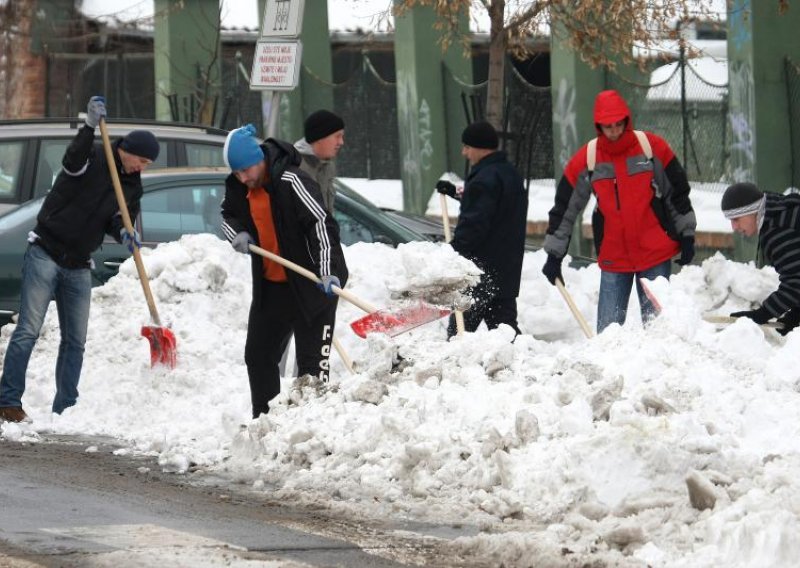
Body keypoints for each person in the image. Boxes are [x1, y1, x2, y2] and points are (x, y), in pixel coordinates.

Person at [0, 96, 159, 423]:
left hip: (79, 264)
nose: (141, 167)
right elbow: (71, 162)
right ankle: (8, 401)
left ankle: (67, 409)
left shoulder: (132, 185)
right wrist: (88, 127)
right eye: (140, 160)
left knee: (76, 341)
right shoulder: (95, 155)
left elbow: (120, 218)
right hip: (45, 250)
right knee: (28, 330)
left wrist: (124, 233)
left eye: (147, 164)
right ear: (125, 150)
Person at [541, 89, 696, 333]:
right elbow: (565, 209)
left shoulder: (651, 148)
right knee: (608, 336)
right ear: (598, 126)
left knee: (661, 333)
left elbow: (676, 193)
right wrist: (554, 254)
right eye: (607, 126)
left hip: (654, 253)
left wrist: (687, 235)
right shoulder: (589, 159)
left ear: (626, 120)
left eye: (618, 124)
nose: (613, 131)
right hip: (614, 256)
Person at [221, 124, 348, 419]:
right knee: (258, 355)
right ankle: (266, 423)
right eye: (237, 173)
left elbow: (321, 225)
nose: (243, 178)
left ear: (260, 158)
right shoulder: (240, 186)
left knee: (312, 368)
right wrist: (237, 233)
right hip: (273, 287)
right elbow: (227, 214)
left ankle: (311, 427)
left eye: (246, 170)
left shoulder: (291, 181)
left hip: (314, 285)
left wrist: (327, 270)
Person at [436, 121, 527, 338]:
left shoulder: (484, 179)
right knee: (506, 335)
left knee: (459, 336)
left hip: (479, 274)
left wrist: (453, 252)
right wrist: (456, 192)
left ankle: (455, 368)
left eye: (467, 147)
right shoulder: (510, 174)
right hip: (505, 271)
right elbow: (493, 206)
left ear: (480, 147)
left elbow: (474, 224)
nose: (464, 152)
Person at [722, 182, 800, 335]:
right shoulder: (780, 213)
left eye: (736, 219)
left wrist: (763, 314)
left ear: (753, 210)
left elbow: (795, 281)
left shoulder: (779, 230)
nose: (734, 227)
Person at [293, 109, 345, 214]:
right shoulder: (295, 165)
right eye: (337, 136)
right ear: (320, 137)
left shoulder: (327, 166)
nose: (341, 142)